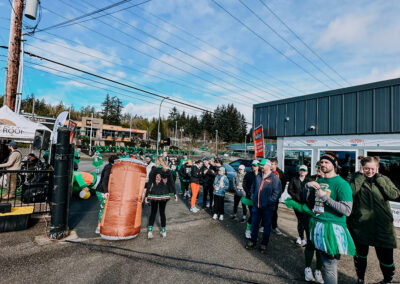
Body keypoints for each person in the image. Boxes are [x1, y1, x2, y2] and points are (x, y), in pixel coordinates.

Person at [303, 153, 355, 284]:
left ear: (334, 165)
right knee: (323, 262)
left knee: (330, 267)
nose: (323, 164)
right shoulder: (320, 181)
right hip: (317, 225)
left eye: (327, 162)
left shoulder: (342, 184)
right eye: (322, 162)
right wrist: (307, 185)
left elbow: (347, 211)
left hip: (332, 229)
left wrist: (325, 198)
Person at [347, 156, 399, 284]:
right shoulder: (353, 178)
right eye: (366, 169)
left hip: (382, 226)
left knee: (386, 259)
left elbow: (394, 194)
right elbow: (350, 192)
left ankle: (387, 280)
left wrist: (380, 179)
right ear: (361, 168)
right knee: (360, 256)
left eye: (372, 168)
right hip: (360, 225)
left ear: (377, 168)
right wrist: (360, 177)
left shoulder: (383, 178)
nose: (369, 171)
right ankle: (360, 279)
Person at [246, 159, 282, 254]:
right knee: (254, 225)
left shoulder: (275, 178)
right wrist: (252, 196)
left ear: (268, 166)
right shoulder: (258, 176)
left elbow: (277, 193)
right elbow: (253, 187)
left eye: (262, 165)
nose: (261, 166)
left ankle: (264, 244)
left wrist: (268, 202)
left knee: (266, 227)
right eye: (260, 165)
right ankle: (253, 241)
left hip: (268, 208)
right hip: (256, 206)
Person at [302, 161, 324, 283]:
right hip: (310, 216)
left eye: (322, 167)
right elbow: (304, 195)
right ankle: (307, 269)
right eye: (318, 167)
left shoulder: (329, 181)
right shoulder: (310, 179)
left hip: (323, 217)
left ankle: (318, 270)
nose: (319, 169)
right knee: (310, 242)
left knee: (321, 245)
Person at [145, 157, 177, 238]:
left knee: (153, 212)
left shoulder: (153, 169)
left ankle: (150, 231)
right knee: (162, 213)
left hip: (154, 193)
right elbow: (172, 183)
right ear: (163, 162)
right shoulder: (167, 171)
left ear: (156, 162)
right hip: (164, 193)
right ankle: (163, 231)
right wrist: (175, 193)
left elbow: (150, 183)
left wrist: (146, 195)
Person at [288, 165, 311, 247]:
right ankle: (301, 237)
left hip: (306, 204)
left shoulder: (309, 180)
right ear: (299, 171)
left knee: (305, 221)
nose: (302, 172)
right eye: (301, 170)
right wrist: (296, 196)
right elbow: (289, 190)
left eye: (304, 170)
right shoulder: (294, 179)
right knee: (300, 220)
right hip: (297, 203)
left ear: (307, 172)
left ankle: (304, 238)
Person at [95, 155, 117, 234]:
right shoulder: (109, 168)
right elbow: (105, 180)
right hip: (102, 191)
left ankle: (103, 226)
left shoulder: (108, 166)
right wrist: (106, 191)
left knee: (106, 209)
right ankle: (99, 227)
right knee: (103, 209)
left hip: (101, 190)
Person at [242, 160, 259, 239]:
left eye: (255, 165)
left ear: (258, 166)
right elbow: (244, 184)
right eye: (252, 165)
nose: (253, 167)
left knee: (258, 215)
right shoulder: (248, 174)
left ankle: (254, 229)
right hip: (250, 198)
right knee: (253, 214)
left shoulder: (261, 175)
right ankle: (248, 230)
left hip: (259, 199)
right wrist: (248, 193)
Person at [270, 158, 286, 235]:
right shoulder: (267, 171)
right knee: (264, 210)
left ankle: (274, 227)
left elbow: (283, 184)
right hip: (266, 196)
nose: (271, 166)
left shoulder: (280, 173)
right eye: (270, 164)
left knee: (274, 211)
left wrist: (279, 193)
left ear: (276, 164)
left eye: (272, 164)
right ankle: (263, 225)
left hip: (275, 196)